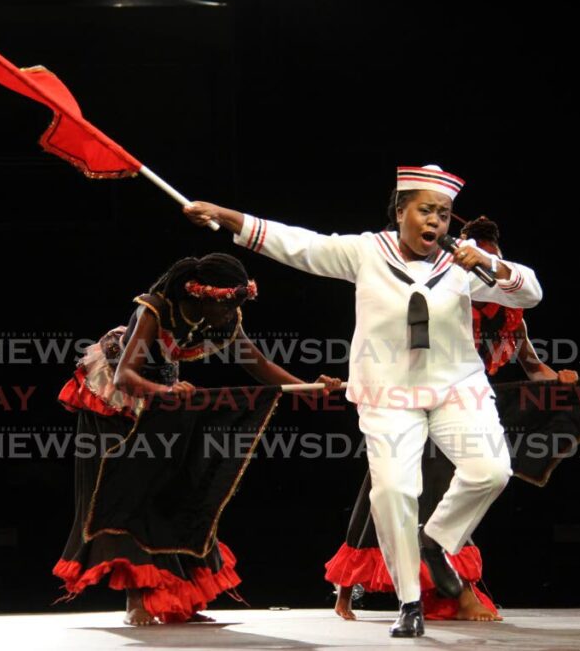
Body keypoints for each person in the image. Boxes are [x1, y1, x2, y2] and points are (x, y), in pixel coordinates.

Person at [185, 165, 543, 637]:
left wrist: (490, 265)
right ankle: (409, 602)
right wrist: (226, 216)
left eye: (444, 213)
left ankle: (436, 543)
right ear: (400, 211)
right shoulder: (366, 251)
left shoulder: (462, 264)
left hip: (458, 386)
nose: (436, 221)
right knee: (394, 491)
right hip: (388, 392)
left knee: (491, 471)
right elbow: (301, 245)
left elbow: (531, 294)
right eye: (426, 210)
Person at [53, 253, 339, 626]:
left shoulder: (225, 317)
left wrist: (308, 389)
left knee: (174, 492)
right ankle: (136, 598)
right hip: (112, 400)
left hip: (161, 393)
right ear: (200, 295)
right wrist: (166, 392)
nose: (231, 312)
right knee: (128, 491)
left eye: (237, 303)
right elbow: (125, 377)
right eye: (225, 304)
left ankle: (177, 600)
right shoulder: (155, 310)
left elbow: (257, 364)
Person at [325, 215, 577, 623]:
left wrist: (559, 377)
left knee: (465, 489)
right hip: (412, 401)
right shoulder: (446, 296)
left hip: (464, 408)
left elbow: (533, 366)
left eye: (489, 259)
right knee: (386, 493)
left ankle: (456, 589)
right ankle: (349, 592)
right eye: (474, 257)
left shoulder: (512, 315)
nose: (481, 265)